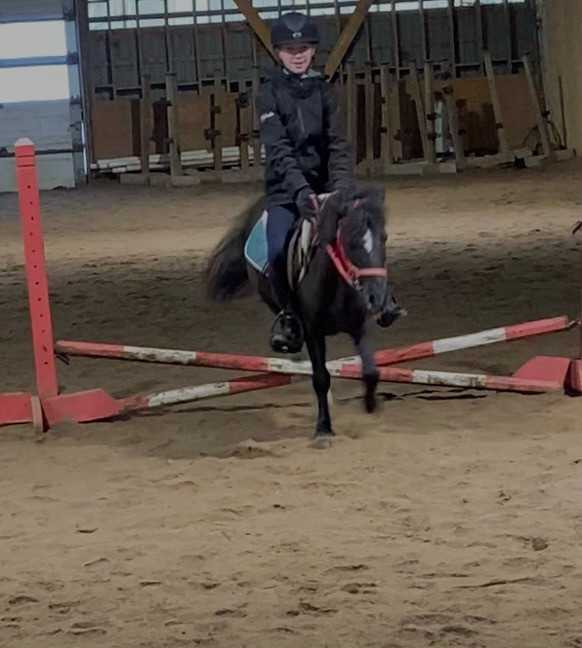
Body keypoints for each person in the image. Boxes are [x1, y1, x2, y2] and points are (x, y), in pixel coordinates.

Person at [259, 11, 398, 354]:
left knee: (365, 232)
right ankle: (289, 317)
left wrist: (338, 187)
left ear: (312, 51)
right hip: (286, 193)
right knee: (276, 250)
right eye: (291, 49)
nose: (298, 54)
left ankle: (382, 297)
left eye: (304, 47)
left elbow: (337, 143)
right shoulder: (268, 94)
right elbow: (278, 150)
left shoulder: (324, 91)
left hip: (329, 188)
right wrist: (301, 192)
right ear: (279, 52)